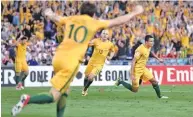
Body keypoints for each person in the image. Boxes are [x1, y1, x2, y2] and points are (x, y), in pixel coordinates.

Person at [11, 2, 144, 117]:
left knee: (65, 91)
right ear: (92, 14)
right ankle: (27, 99)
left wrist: (49, 13)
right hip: (71, 61)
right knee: (54, 95)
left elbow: (55, 18)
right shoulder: (93, 22)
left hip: (58, 57)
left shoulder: (71, 19)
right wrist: (134, 13)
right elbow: (117, 21)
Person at [82, 29, 115, 96]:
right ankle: (85, 88)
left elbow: (113, 51)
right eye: (103, 33)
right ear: (101, 34)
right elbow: (88, 44)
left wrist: (110, 57)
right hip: (91, 62)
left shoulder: (110, 44)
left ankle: (85, 89)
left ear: (108, 36)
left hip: (99, 64)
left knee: (91, 77)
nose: (105, 35)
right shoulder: (96, 41)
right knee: (86, 77)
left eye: (106, 34)